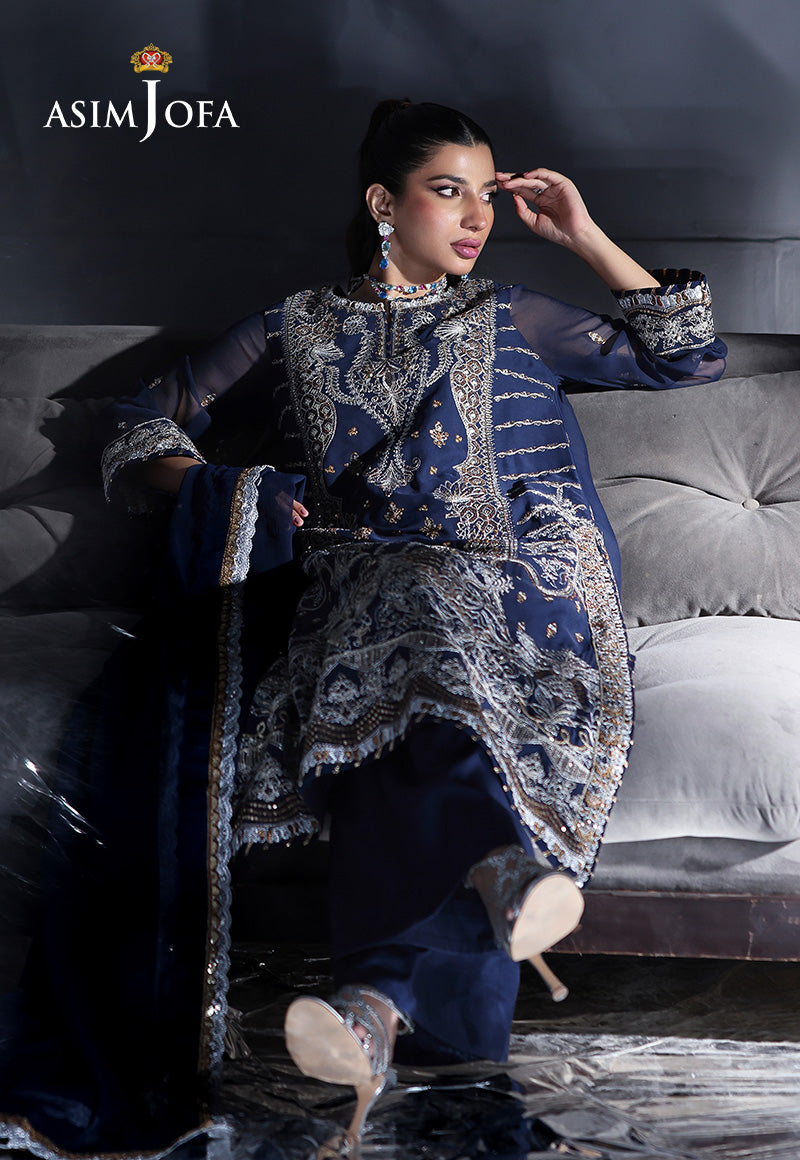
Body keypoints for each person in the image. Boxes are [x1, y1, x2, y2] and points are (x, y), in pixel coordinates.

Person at [0, 99, 726, 1157]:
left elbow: (684, 357)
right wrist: (227, 487)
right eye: (447, 191)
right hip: (354, 578)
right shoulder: (291, 326)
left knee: (418, 620)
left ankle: (384, 991)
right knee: (393, 720)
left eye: (485, 197)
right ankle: (455, 912)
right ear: (383, 203)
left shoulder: (510, 313)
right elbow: (136, 425)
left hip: (519, 579)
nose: (474, 217)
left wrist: (579, 234)